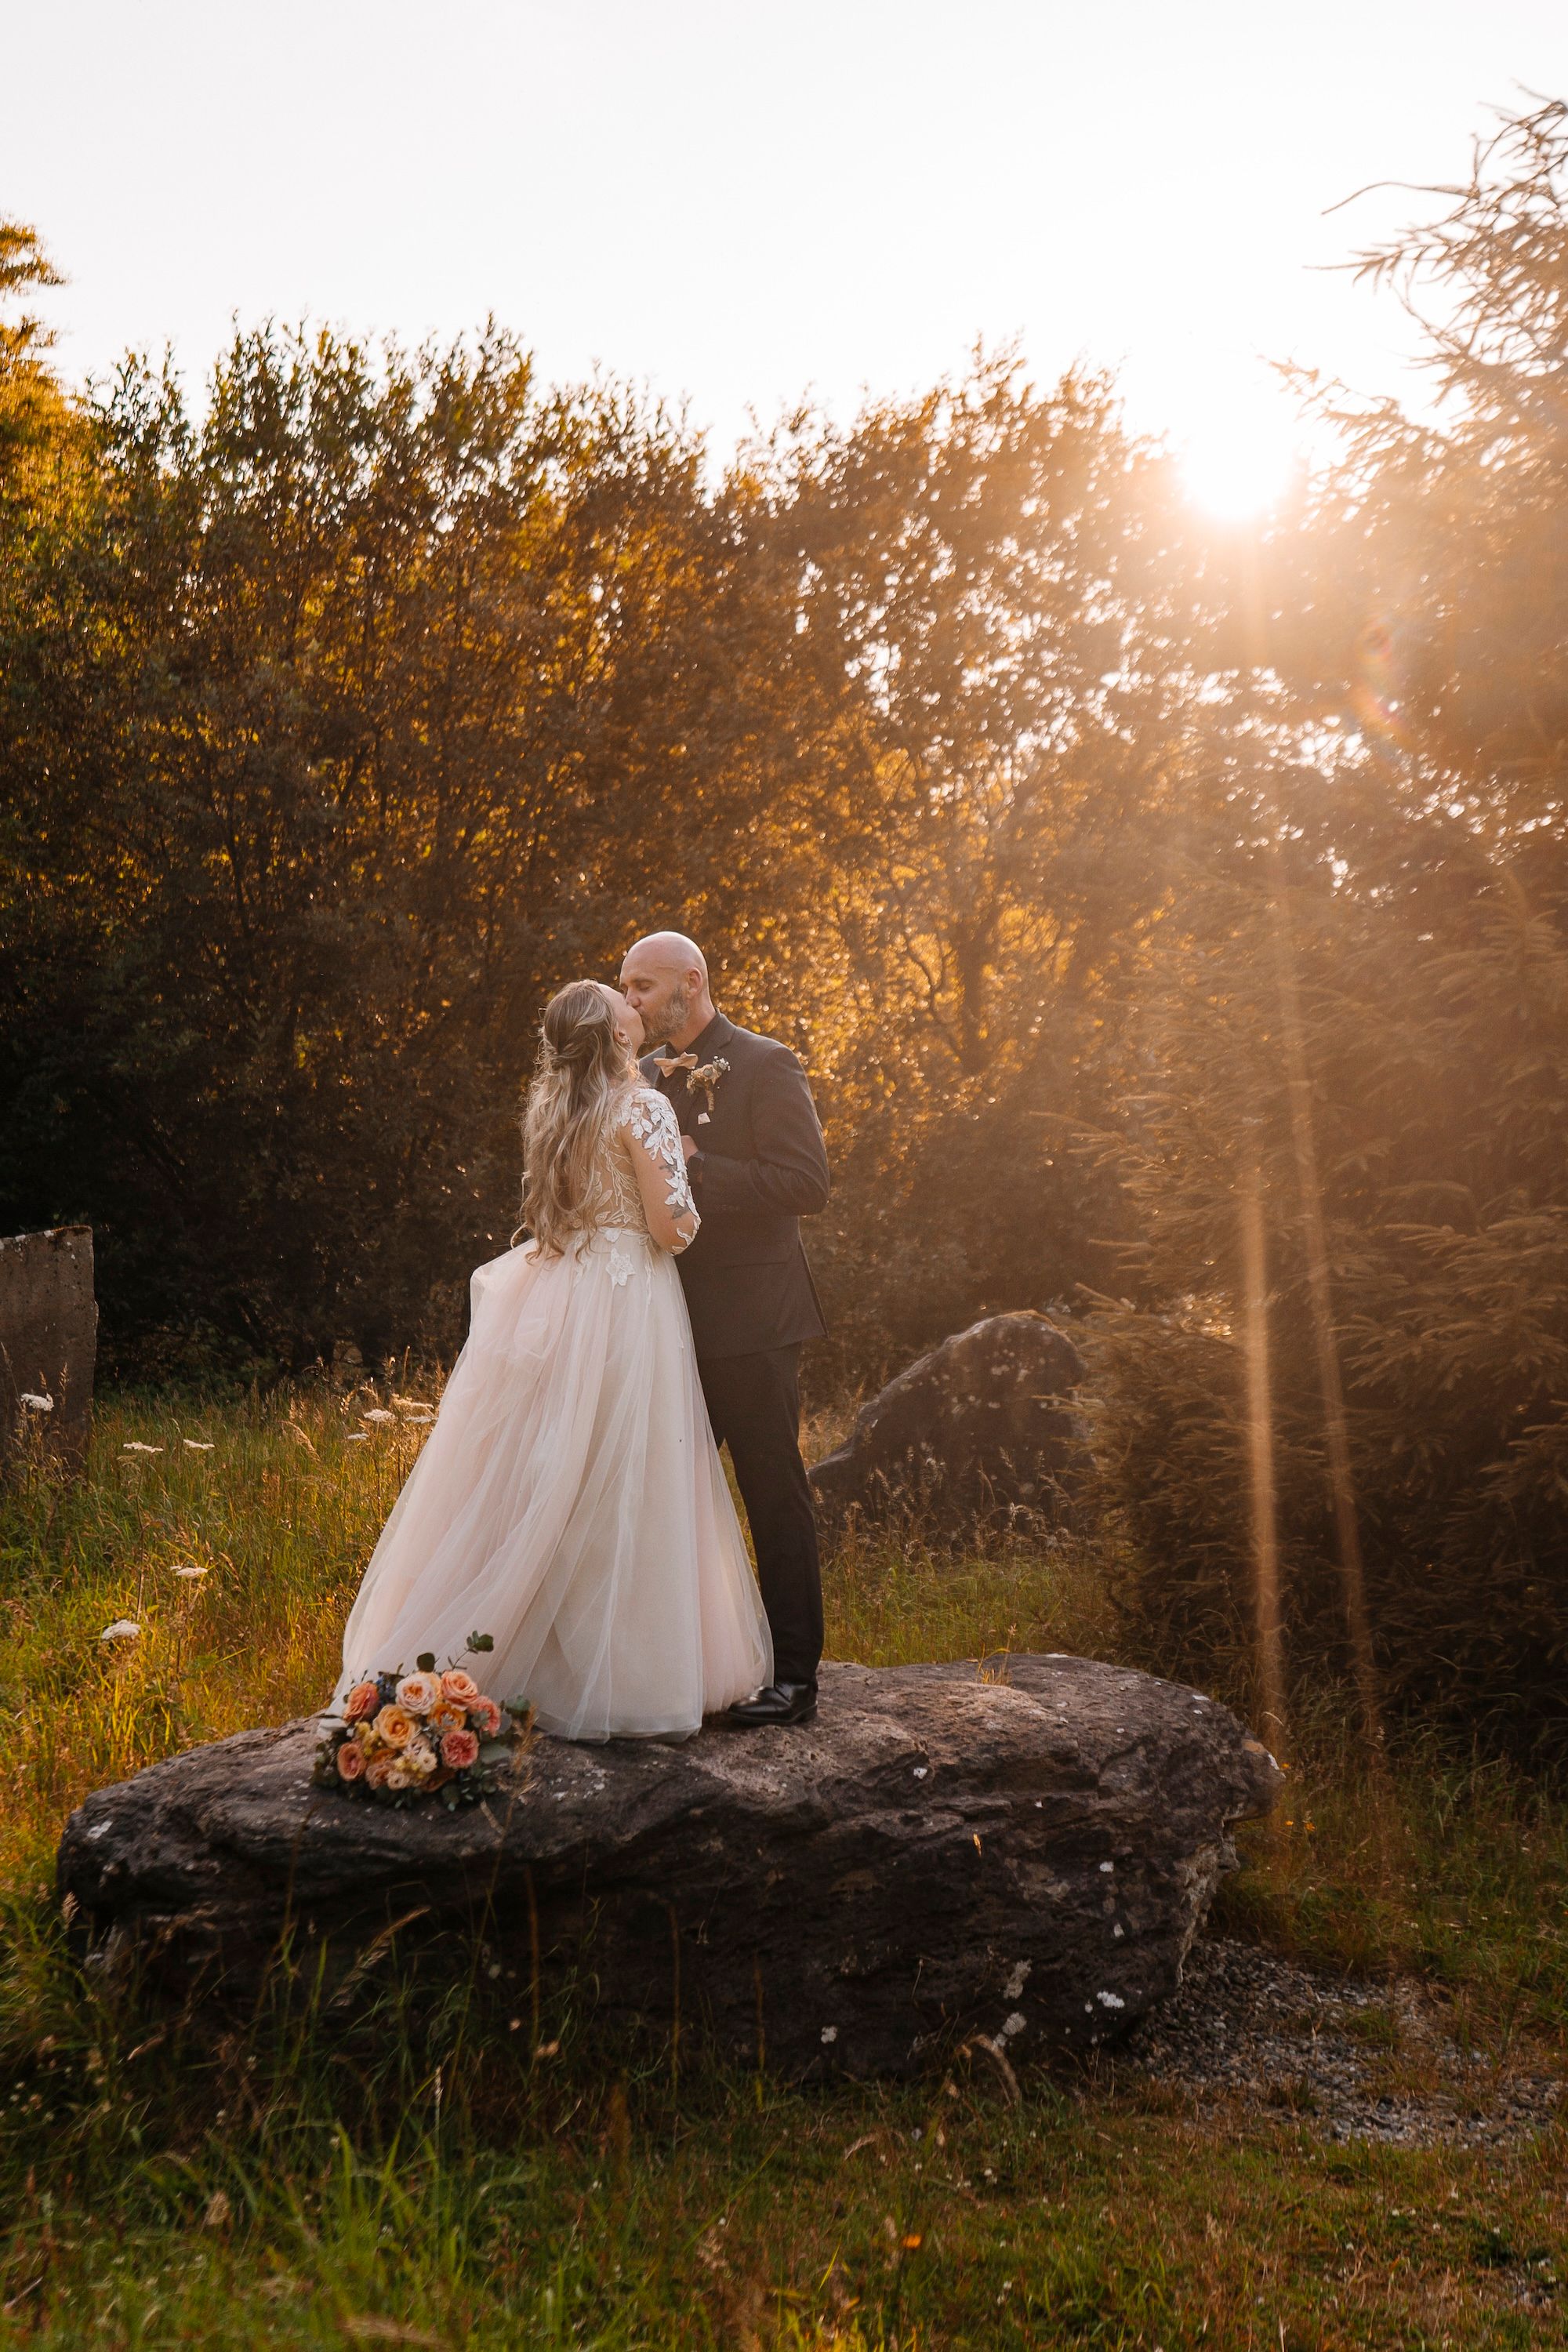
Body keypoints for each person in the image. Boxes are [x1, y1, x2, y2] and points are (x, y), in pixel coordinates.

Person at [331, 980, 771, 1742]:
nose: (636, 1006)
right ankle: (627, 1673)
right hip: (631, 1300)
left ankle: (532, 1662)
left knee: (550, 1474)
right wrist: (689, 1192)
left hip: (563, 1294)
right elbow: (673, 1230)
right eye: (623, 1002)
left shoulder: (552, 1109)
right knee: (625, 1475)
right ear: (614, 1033)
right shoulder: (644, 1107)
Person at [619, 931, 830, 1727]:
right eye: (625, 988)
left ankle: (795, 1679)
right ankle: (670, 1669)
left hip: (755, 1321)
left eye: (642, 985)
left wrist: (697, 1165)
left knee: (772, 1494)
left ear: (691, 982)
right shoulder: (635, 1076)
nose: (631, 1000)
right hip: (664, 1320)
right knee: (660, 1497)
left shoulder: (765, 1063)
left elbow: (805, 1184)